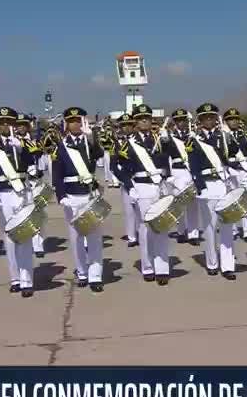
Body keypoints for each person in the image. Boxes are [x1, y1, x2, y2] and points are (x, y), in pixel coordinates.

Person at [115, 104, 172, 285]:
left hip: (159, 186)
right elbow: (118, 168)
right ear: (136, 122)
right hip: (142, 187)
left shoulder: (159, 138)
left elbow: (168, 161)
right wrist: (130, 186)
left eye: (147, 118)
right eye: (140, 119)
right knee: (146, 228)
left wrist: (167, 143)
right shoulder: (128, 143)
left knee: (162, 227)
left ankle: (162, 268)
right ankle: (148, 267)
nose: (144, 121)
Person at [0, 106, 39, 298]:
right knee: (9, 238)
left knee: (24, 236)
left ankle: (27, 280)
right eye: (2, 122)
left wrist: (24, 148)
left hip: (22, 192)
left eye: (9, 122)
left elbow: (37, 157)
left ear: (15, 124)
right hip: (5, 194)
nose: (6, 125)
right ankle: (15, 278)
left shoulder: (25, 143)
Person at [52, 107, 106, 293]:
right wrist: (61, 196)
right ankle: (82, 272)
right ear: (66, 124)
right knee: (76, 238)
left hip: (90, 194)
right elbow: (57, 175)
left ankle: (95, 275)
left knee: (94, 237)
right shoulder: (61, 146)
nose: (75, 124)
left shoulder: (89, 142)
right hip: (72, 196)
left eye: (78, 120)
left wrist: (93, 138)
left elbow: (99, 155)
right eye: (72, 121)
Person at [185, 103, 236, 280]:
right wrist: (200, 187)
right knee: (209, 227)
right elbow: (193, 166)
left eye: (212, 117)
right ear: (199, 121)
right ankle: (212, 263)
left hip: (223, 184)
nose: (209, 120)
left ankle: (228, 266)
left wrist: (230, 139)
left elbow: (233, 155)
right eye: (205, 118)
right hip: (207, 185)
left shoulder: (222, 136)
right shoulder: (194, 140)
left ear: (216, 119)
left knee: (227, 226)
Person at [222, 108, 247, 244]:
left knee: (246, 200)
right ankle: (233, 229)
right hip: (229, 170)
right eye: (230, 119)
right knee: (230, 200)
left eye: (236, 119)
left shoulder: (245, 136)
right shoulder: (222, 136)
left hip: (243, 171)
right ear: (226, 121)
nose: (234, 121)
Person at [16, 113, 47, 258]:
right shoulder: (11, 142)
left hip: (34, 180)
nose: (21, 127)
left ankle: (38, 244)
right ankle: (23, 241)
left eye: (24, 124)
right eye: (18, 124)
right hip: (19, 181)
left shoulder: (35, 140)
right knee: (20, 213)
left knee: (37, 212)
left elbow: (39, 153)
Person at [168, 108, 200, 245]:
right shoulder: (169, 137)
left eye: (183, 120)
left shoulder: (194, 136)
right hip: (177, 171)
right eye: (178, 120)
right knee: (179, 203)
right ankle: (181, 231)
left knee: (193, 204)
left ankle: (193, 233)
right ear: (175, 122)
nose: (181, 123)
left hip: (191, 170)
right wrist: (169, 177)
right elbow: (166, 158)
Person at [111, 113, 139, 248]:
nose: (126, 128)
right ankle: (132, 236)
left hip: (142, 179)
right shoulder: (116, 143)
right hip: (126, 178)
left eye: (129, 125)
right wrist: (123, 178)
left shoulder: (140, 140)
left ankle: (142, 232)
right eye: (123, 125)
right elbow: (113, 165)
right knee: (129, 210)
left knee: (142, 209)